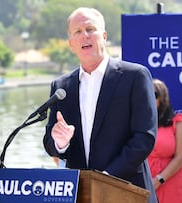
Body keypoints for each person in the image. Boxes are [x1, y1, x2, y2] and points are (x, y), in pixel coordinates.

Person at [42, 7, 158, 202]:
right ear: (71, 43)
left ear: (103, 36)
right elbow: (50, 143)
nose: (84, 36)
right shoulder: (61, 86)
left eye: (90, 29)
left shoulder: (135, 76)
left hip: (128, 191)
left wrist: (106, 177)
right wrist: (61, 144)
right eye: (77, 32)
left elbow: (144, 137)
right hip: (82, 193)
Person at [148, 78, 182, 203]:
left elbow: (181, 156)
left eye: (154, 95)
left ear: (163, 98)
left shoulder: (177, 123)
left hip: (172, 181)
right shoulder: (136, 122)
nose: (149, 97)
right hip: (143, 182)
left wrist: (160, 179)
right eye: (145, 92)